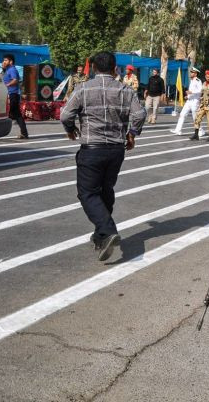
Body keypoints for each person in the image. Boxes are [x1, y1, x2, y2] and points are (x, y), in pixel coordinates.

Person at [60, 52, 146, 261]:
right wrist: (132, 134)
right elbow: (139, 114)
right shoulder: (126, 90)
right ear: (115, 68)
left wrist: (70, 129)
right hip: (116, 150)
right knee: (105, 189)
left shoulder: (82, 89)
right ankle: (101, 236)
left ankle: (107, 230)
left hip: (92, 149)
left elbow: (65, 115)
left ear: (94, 68)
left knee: (87, 193)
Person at [1, 54, 29, 139]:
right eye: (3, 60)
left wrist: (6, 85)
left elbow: (15, 80)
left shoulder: (12, 69)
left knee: (9, 114)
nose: (3, 62)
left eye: (5, 60)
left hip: (13, 94)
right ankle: (24, 133)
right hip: (11, 94)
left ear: (11, 61)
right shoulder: (6, 70)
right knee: (17, 115)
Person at [170, 67, 202, 135]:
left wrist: (191, 92)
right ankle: (178, 130)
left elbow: (200, 91)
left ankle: (200, 131)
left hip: (195, 101)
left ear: (196, 74)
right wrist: (187, 96)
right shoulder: (192, 81)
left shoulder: (198, 81)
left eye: (192, 72)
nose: (191, 73)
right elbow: (190, 92)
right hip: (189, 101)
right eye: (191, 72)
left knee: (195, 117)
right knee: (182, 114)